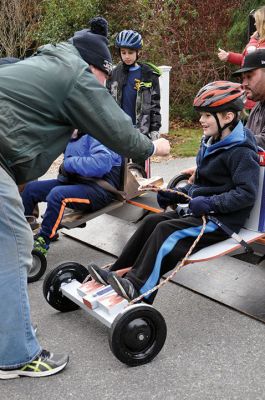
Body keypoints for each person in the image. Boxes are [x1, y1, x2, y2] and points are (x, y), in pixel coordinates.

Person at [0, 16, 169, 379]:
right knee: (14, 246)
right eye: (103, 77)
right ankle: (14, 355)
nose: (103, 86)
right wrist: (154, 145)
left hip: (90, 187)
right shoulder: (76, 76)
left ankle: (9, 335)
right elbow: (121, 133)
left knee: (32, 214)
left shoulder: (42, 64)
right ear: (95, 67)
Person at [87, 81, 259, 304]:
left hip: (221, 221)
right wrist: (178, 193)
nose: (201, 120)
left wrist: (211, 203)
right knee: (151, 223)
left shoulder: (241, 151)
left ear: (227, 117)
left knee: (166, 231)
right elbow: (204, 185)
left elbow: (246, 194)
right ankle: (118, 272)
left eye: (207, 115)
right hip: (201, 211)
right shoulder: (212, 142)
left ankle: (138, 287)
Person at [22, 132, 123, 255]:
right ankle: (21, 234)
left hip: (99, 191)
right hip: (76, 183)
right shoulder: (71, 134)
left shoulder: (97, 133)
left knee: (57, 195)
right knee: (31, 189)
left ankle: (43, 240)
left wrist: (68, 164)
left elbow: (101, 164)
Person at [107, 29, 161, 174]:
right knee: (118, 171)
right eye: (123, 52)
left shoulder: (149, 75)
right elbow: (106, 103)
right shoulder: (113, 74)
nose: (127, 56)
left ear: (138, 52)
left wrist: (155, 129)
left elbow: (155, 105)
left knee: (140, 173)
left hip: (141, 132)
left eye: (130, 52)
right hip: (119, 131)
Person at [218, 6, 265, 110]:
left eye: (256, 21)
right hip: (251, 95)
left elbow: (256, 64)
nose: (254, 24)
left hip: (260, 95)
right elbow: (247, 61)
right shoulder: (255, 40)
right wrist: (229, 56)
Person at [233, 49, 265, 149]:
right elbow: (246, 134)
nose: (244, 84)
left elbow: (263, 142)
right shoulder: (258, 106)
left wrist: (228, 140)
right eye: (243, 78)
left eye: (249, 76)